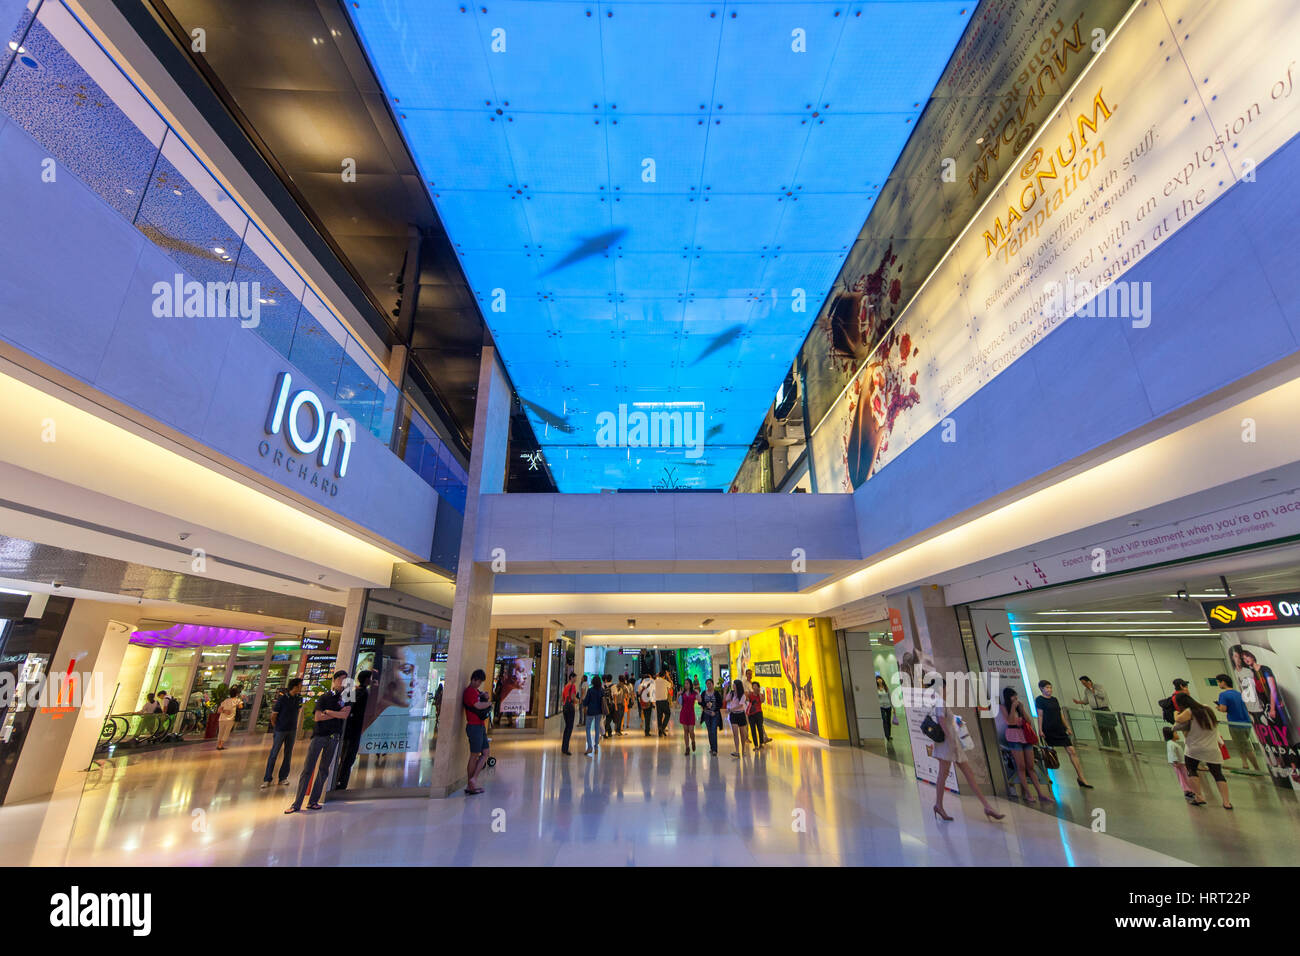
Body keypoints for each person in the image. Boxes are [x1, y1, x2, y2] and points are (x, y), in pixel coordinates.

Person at [930, 677, 1005, 822]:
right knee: (943, 775)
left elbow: (944, 720)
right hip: (948, 744)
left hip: (952, 744)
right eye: (945, 687)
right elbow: (940, 721)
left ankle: (987, 806)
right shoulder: (940, 702)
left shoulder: (940, 702)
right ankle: (939, 805)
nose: (946, 689)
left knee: (967, 773)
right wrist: (951, 739)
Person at [286, 671, 351, 813]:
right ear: (334, 680)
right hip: (319, 736)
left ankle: (313, 801)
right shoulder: (325, 697)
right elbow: (318, 717)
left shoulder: (346, 698)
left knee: (324, 769)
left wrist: (328, 712)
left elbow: (344, 715)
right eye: (340, 679)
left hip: (333, 737)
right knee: (308, 768)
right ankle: (297, 803)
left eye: (345, 680)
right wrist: (335, 714)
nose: (343, 682)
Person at [1173, 692, 1232, 809]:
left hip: (1194, 748)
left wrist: (1175, 713)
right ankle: (1226, 802)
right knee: (1218, 774)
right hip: (1212, 748)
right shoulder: (1208, 708)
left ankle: (1199, 796)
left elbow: (1178, 719)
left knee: (1192, 770)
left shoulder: (1189, 712)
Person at [1034, 680, 1093, 788]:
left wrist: (1067, 727)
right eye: (1047, 688)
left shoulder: (1054, 699)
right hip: (1048, 729)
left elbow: (1060, 714)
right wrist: (1040, 729)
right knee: (1048, 753)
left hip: (1059, 728)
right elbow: (1040, 715)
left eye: (1050, 687)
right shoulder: (1039, 700)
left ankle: (1081, 777)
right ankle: (1047, 776)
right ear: (1041, 689)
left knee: (1071, 750)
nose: (1049, 690)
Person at [1000, 687, 1051, 803]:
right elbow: (1010, 721)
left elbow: (1028, 720)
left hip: (1025, 736)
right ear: (1008, 697)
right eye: (1013, 696)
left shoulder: (1019, 707)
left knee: (1031, 766)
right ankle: (1028, 794)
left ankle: (1040, 793)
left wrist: (1022, 709)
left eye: (1016, 695)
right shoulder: (1003, 707)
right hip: (1013, 736)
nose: (1015, 698)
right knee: (1021, 766)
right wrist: (1013, 707)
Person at [1215, 674, 1263, 773]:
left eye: (1219, 682)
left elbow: (1223, 709)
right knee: (1241, 744)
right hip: (1246, 722)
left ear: (1223, 682)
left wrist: (1218, 708)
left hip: (1235, 723)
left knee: (1245, 747)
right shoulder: (1238, 693)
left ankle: (1257, 768)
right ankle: (1245, 765)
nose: (1219, 684)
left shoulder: (1223, 695)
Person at [262, 678, 303, 789]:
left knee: (288, 754)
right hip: (281, 729)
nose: (301, 687)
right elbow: (274, 715)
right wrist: (277, 727)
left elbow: (298, 712)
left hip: (292, 730)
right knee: (274, 753)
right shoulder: (282, 699)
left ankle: (283, 777)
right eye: (300, 685)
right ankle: (267, 778)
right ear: (294, 686)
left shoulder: (299, 699)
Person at [334, 670, 371, 790]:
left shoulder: (359, 692)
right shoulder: (361, 693)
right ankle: (340, 783)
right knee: (347, 758)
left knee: (347, 757)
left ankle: (340, 782)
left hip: (353, 730)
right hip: (353, 730)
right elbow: (351, 710)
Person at [462, 669, 492, 794]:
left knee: (485, 752)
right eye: (478, 681)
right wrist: (489, 703)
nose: (479, 684)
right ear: (473, 679)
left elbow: (480, 701)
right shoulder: (469, 691)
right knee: (474, 755)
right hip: (474, 726)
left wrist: (484, 697)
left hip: (480, 726)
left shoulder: (476, 692)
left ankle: (473, 779)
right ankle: (470, 784)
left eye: (480, 682)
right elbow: (477, 706)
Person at [1073, 675, 1119, 749]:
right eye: (1082, 684)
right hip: (1096, 711)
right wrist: (1079, 702)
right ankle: (1106, 746)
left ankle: (1116, 746)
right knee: (1102, 729)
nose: (1084, 685)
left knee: (1110, 728)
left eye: (1085, 683)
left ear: (1089, 681)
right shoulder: (1086, 691)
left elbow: (1102, 695)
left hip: (1104, 710)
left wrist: (1091, 688)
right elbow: (1086, 700)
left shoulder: (1098, 686)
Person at [1163, 725, 1194, 800]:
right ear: (1171, 734)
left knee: (1185, 776)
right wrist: (1175, 761)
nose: (1177, 734)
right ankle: (1187, 790)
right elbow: (1172, 753)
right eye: (1176, 733)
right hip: (1178, 764)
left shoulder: (1172, 743)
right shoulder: (1171, 744)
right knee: (1183, 777)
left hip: (1180, 764)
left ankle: (1189, 789)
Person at [725, 679, 750, 757]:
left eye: (734, 685)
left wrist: (731, 709)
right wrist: (725, 690)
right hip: (733, 715)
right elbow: (726, 699)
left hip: (741, 715)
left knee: (742, 734)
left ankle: (743, 749)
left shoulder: (743, 695)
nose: (733, 686)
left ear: (737, 686)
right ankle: (737, 751)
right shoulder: (731, 693)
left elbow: (740, 705)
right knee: (735, 733)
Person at [699, 678, 723, 755]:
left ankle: (715, 750)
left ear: (713, 684)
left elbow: (720, 704)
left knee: (713, 730)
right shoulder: (704, 693)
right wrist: (705, 704)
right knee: (710, 731)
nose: (708, 685)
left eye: (710, 684)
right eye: (707, 684)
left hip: (714, 714)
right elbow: (700, 702)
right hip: (706, 714)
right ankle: (712, 747)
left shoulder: (716, 693)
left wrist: (715, 711)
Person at [215, 686, 242, 750]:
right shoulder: (237, 700)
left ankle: (218, 744)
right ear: (237, 694)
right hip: (230, 719)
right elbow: (241, 706)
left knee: (221, 732)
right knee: (226, 732)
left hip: (222, 718)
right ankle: (221, 745)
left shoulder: (225, 700)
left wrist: (224, 711)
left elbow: (219, 710)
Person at [584, 675, 605, 756]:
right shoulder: (601, 690)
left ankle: (589, 746)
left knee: (588, 728)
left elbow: (586, 701)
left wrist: (584, 705)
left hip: (591, 711)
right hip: (599, 711)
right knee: (597, 729)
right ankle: (596, 747)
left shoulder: (590, 690)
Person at [678, 679, 698, 755]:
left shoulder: (694, 693)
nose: (686, 685)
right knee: (686, 731)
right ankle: (687, 748)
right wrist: (677, 695)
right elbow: (679, 704)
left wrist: (699, 695)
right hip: (684, 713)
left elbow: (699, 700)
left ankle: (693, 740)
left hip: (691, 713)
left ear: (690, 684)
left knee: (691, 731)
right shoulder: (682, 694)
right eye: (685, 683)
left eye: (687, 683)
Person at [560, 672, 578, 755]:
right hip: (570, 708)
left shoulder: (566, 686)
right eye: (575, 678)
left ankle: (564, 747)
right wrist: (578, 701)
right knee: (569, 728)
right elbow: (572, 697)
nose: (576, 679)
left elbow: (562, 698)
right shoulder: (573, 686)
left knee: (566, 728)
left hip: (565, 707)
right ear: (571, 677)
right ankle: (566, 749)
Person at [747, 680, 766, 750]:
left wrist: (759, 693)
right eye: (753, 686)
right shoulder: (750, 694)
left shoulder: (761, 695)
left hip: (759, 713)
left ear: (758, 687)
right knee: (753, 729)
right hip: (751, 714)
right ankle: (755, 745)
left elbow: (762, 700)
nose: (754, 688)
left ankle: (761, 743)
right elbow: (747, 701)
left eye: (756, 686)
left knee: (760, 728)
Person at [654, 669, 672, 737]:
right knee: (668, 713)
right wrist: (668, 677)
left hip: (657, 701)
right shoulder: (665, 681)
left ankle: (660, 731)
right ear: (664, 675)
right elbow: (671, 685)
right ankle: (663, 728)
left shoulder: (655, 681)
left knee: (659, 716)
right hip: (664, 701)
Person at [876, 675, 893, 742]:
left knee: (888, 721)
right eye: (877, 679)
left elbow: (890, 697)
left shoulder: (886, 688)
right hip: (881, 707)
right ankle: (887, 735)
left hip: (888, 706)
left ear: (882, 680)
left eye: (880, 679)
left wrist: (893, 707)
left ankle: (889, 734)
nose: (879, 680)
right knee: (884, 720)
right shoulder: (876, 689)